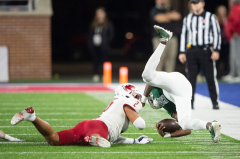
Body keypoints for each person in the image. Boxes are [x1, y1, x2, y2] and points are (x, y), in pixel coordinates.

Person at [141, 25, 221, 142]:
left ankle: (164, 41)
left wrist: (143, 100)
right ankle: (210, 125)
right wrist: (167, 135)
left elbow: (150, 82)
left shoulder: (154, 89)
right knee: (185, 122)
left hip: (174, 83)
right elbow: (186, 129)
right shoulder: (166, 107)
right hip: (183, 90)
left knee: (147, 76)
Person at [10, 84, 153, 147]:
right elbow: (141, 125)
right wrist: (142, 103)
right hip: (99, 128)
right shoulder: (126, 103)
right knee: (102, 141)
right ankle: (93, 139)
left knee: (53, 139)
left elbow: (113, 136)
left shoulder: (118, 105)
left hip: (89, 126)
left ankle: (32, 117)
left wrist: (134, 141)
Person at [178, 0, 221, 109]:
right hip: (191, 51)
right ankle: (190, 103)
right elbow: (184, 35)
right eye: (193, 3)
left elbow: (217, 33)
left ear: (203, 3)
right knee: (191, 78)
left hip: (206, 51)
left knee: (210, 78)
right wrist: (182, 51)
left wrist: (216, 50)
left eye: (197, 2)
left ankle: (215, 102)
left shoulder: (210, 17)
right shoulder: (187, 18)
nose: (195, 5)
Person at [150, 0, 181, 72]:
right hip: (159, 39)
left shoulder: (171, 8)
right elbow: (159, 19)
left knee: (171, 59)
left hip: (172, 38)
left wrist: (166, 16)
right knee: (159, 59)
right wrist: (170, 16)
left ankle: (168, 80)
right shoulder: (154, 10)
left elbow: (178, 16)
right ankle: (157, 80)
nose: (162, 1)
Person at [88, 7, 114, 82]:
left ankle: (105, 75)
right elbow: (89, 35)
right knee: (95, 61)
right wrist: (90, 45)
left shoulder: (108, 24)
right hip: (95, 46)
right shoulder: (93, 24)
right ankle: (95, 74)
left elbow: (111, 34)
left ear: (104, 14)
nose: (99, 15)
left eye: (100, 13)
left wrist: (106, 43)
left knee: (105, 61)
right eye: (97, 14)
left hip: (104, 47)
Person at [223, 0, 240, 82]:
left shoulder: (237, 9)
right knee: (233, 55)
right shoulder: (234, 9)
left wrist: (236, 31)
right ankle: (233, 74)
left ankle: (237, 74)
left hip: (236, 35)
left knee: (237, 55)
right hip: (233, 35)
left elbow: (237, 21)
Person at [215, 5, 230, 78]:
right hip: (218, 42)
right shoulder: (215, 19)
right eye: (221, 10)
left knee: (226, 59)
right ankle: (216, 74)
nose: (223, 12)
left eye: (224, 10)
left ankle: (226, 73)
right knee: (217, 59)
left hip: (226, 42)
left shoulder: (228, 18)